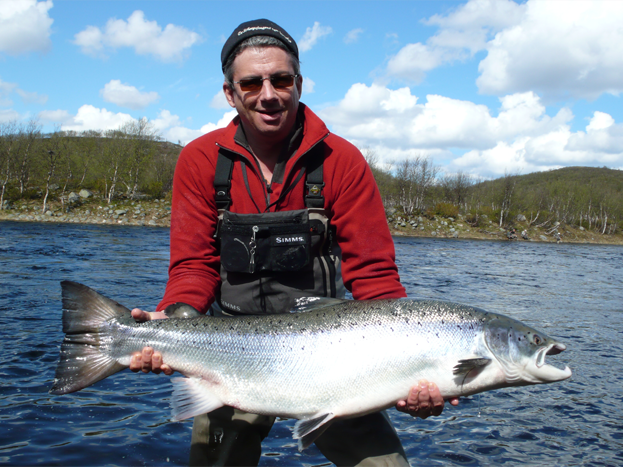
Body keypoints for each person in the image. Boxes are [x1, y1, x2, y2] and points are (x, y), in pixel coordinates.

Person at [129, 19, 458, 466]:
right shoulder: (200, 160)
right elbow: (193, 265)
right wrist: (174, 318)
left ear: (299, 84)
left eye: (281, 80)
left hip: (334, 358)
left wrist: (408, 368)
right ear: (230, 93)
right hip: (230, 353)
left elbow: (374, 275)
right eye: (251, 83)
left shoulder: (342, 160)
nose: (268, 94)